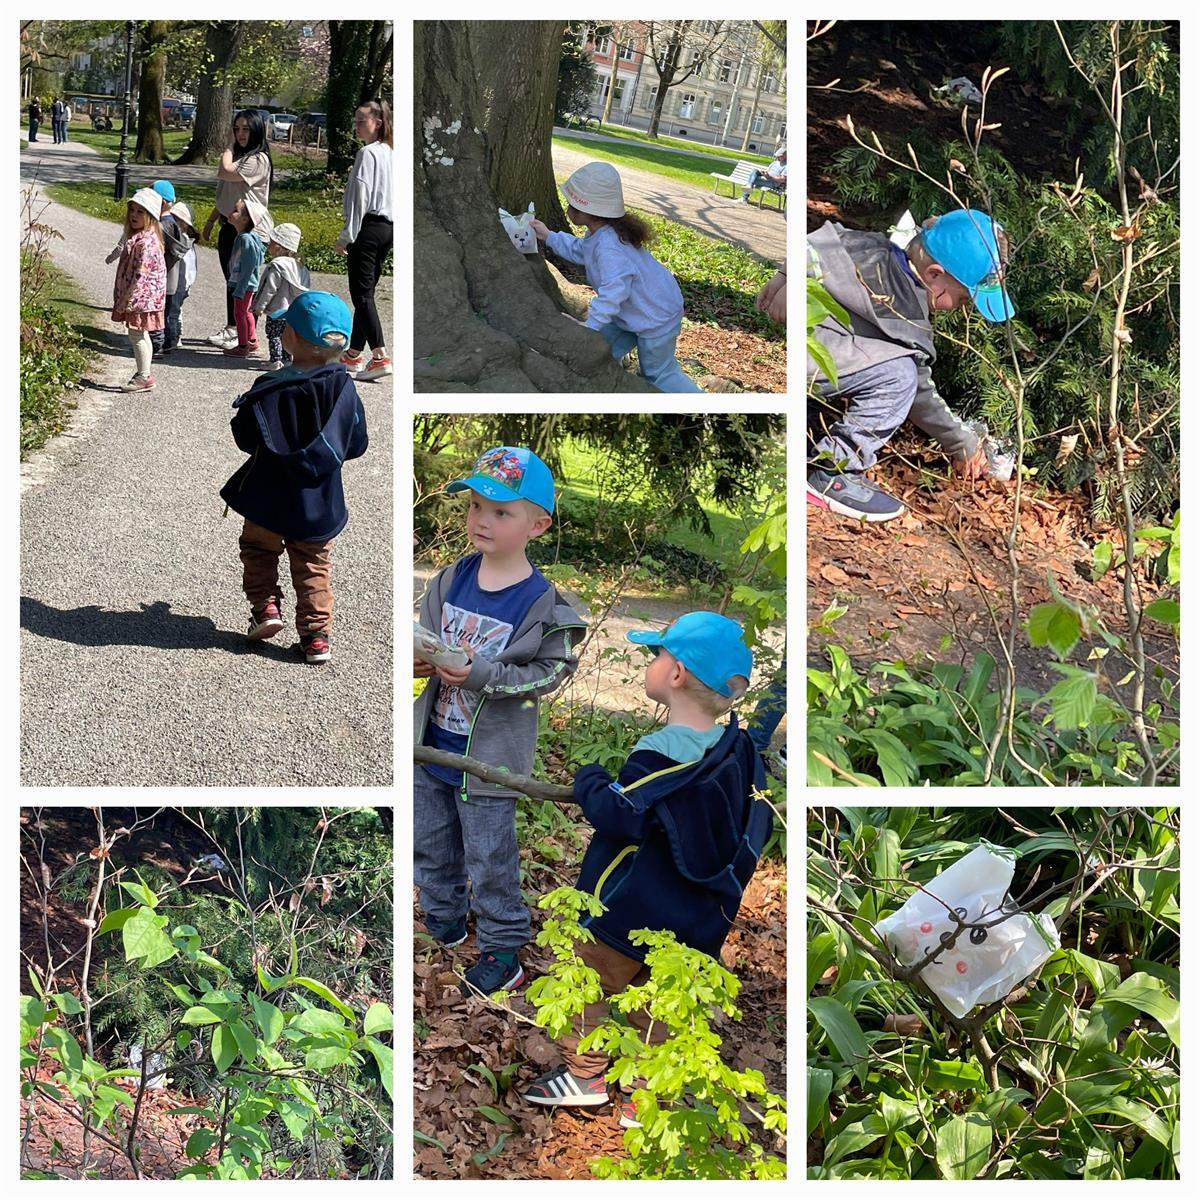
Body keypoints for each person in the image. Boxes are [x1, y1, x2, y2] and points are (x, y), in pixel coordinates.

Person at [522, 612, 772, 1127]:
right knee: (657, 1005)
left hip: (627, 910)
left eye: (657, 655)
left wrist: (591, 779)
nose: (651, 662)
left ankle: (586, 1076)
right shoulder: (738, 748)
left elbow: (621, 811)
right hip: (693, 919)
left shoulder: (661, 755)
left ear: (676, 674)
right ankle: (644, 1098)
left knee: (585, 984)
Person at [413, 447, 586, 995]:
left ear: (538, 523)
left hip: (489, 761)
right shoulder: (450, 579)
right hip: (430, 743)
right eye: (476, 506)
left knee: (489, 855)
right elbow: (427, 640)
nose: (483, 520)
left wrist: (483, 673)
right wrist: (419, 660)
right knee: (430, 839)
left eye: (502, 511)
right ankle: (443, 916)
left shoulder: (542, 605)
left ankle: (503, 946)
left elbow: (547, 675)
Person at [807, 208, 1014, 521]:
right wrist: (962, 443)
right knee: (899, 375)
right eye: (962, 299)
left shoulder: (869, 248)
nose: (963, 308)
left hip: (806, 353)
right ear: (933, 274)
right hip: (804, 360)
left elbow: (813, 245)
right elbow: (918, 391)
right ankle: (833, 471)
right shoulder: (905, 316)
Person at [218, 292, 367, 665]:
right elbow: (357, 444)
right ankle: (316, 637)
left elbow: (244, 438)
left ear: (291, 338)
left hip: (267, 497)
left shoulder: (270, 385)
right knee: (313, 564)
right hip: (318, 502)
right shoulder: (345, 389)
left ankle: (266, 608)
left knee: (258, 550)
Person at [530, 162, 702, 393]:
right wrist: (548, 236)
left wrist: (589, 326)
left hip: (656, 317)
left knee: (659, 373)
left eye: (573, 206)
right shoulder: (601, 234)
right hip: (629, 313)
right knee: (602, 351)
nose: (568, 210)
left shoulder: (609, 247)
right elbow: (581, 250)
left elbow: (614, 292)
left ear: (589, 211)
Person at [202, 110, 273, 349]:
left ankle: (239, 331)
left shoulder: (257, 159)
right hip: (230, 224)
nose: (241, 134)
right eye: (237, 129)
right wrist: (212, 220)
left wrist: (228, 147)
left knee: (242, 284)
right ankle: (237, 328)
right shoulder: (242, 158)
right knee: (231, 281)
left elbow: (224, 171)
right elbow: (228, 193)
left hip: (249, 230)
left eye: (246, 129)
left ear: (256, 131)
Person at [337, 99, 393, 381]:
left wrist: (347, 235)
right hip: (388, 230)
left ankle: (380, 355)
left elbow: (360, 197)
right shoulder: (393, 153)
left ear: (378, 122)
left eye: (363, 121)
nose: (357, 126)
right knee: (366, 295)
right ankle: (353, 354)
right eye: (356, 121)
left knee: (361, 294)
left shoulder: (368, 153)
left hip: (368, 227)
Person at [110, 188, 167, 394]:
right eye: (132, 210)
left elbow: (141, 277)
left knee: (137, 336)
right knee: (141, 335)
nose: (134, 215)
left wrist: (128, 298)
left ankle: (144, 376)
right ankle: (145, 372)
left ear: (151, 216)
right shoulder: (143, 238)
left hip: (142, 299)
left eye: (140, 212)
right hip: (145, 298)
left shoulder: (146, 243)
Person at [253, 223, 310, 371]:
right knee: (287, 335)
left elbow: (270, 288)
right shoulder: (301, 267)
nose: (269, 245)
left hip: (277, 309)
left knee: (273, 334)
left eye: (271, 242)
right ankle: (287, 359)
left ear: (279, 245)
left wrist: (260, 306)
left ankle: (275, 360)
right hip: (293, 310)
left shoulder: (277, 265)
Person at [223, 197, 271, 359]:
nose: (231, 212)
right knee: (246, 312)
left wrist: (240, 288)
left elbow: (250, 265)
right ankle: (252, 340)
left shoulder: (245, 239)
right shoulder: (248, 237)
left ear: (245, 219)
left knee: (239, 314)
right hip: (245, 284)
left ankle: (242, 346)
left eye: (236, 211)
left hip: (243, 284)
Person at [159, 202, 197, 355]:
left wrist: (184, 285)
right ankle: (176, 336)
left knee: (172, 313)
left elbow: (186, 268)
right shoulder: (184, 241)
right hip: (182, 284)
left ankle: (171, 338)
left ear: (184, 224)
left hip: (179, 284)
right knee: (176, 311)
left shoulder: (180, 243)